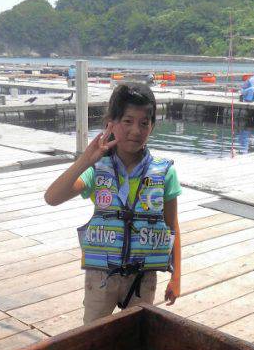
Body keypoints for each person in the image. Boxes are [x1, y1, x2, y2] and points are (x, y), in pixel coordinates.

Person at [45, 83, 182, 324]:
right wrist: (85, 160)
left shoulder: (165, 172)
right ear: (111, 122)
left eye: (144, 122)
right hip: (101, 277)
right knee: (93, 340)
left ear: (152, 125)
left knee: (135, 340)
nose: (136, 130)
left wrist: (176, 276)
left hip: (143, 277)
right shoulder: (96, 170)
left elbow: (173, 228)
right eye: (127, 121)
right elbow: (52, 197)